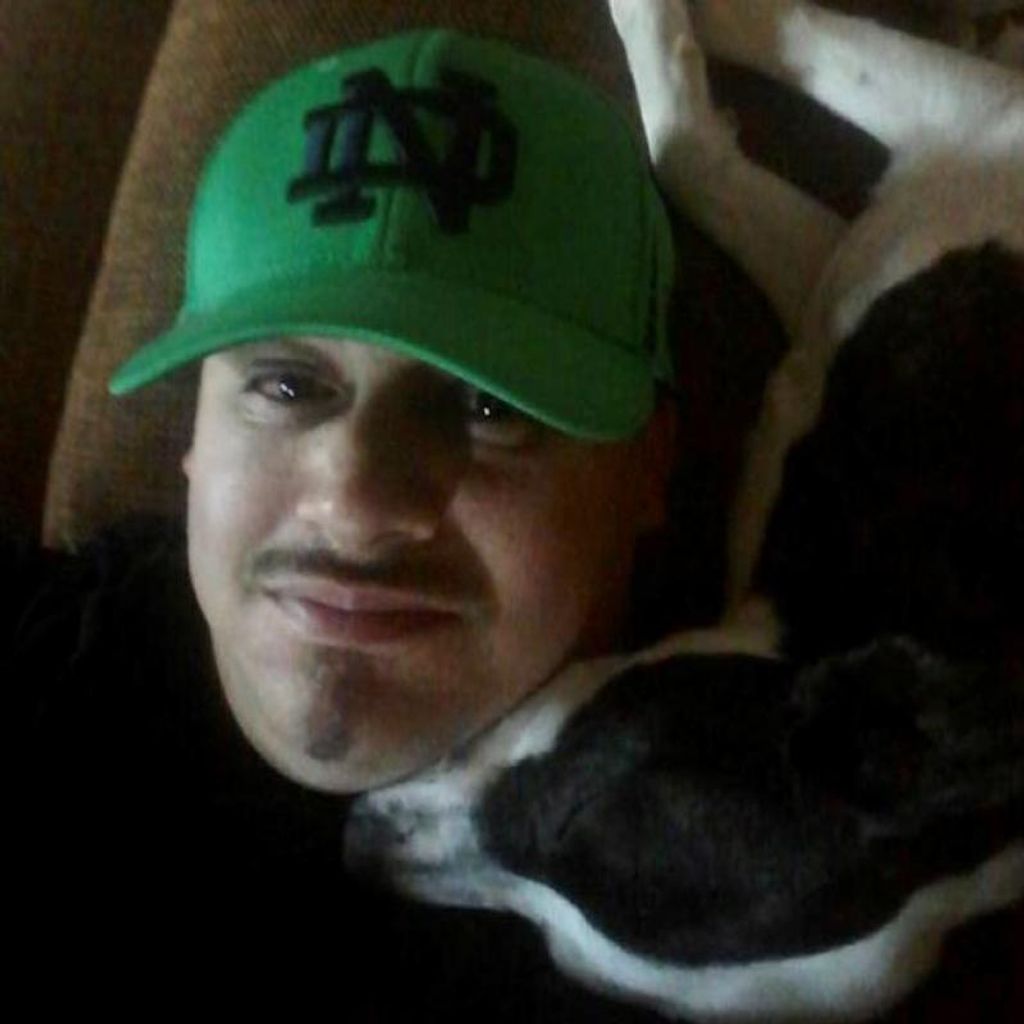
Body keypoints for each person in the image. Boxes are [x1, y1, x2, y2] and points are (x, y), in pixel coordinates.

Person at [7, 29, 682, 1017]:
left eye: (486, 406)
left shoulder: (730, 920)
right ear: (193, 434)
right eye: (286, 385)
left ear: (650, 466)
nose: (353, 503)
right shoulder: (47, 649)